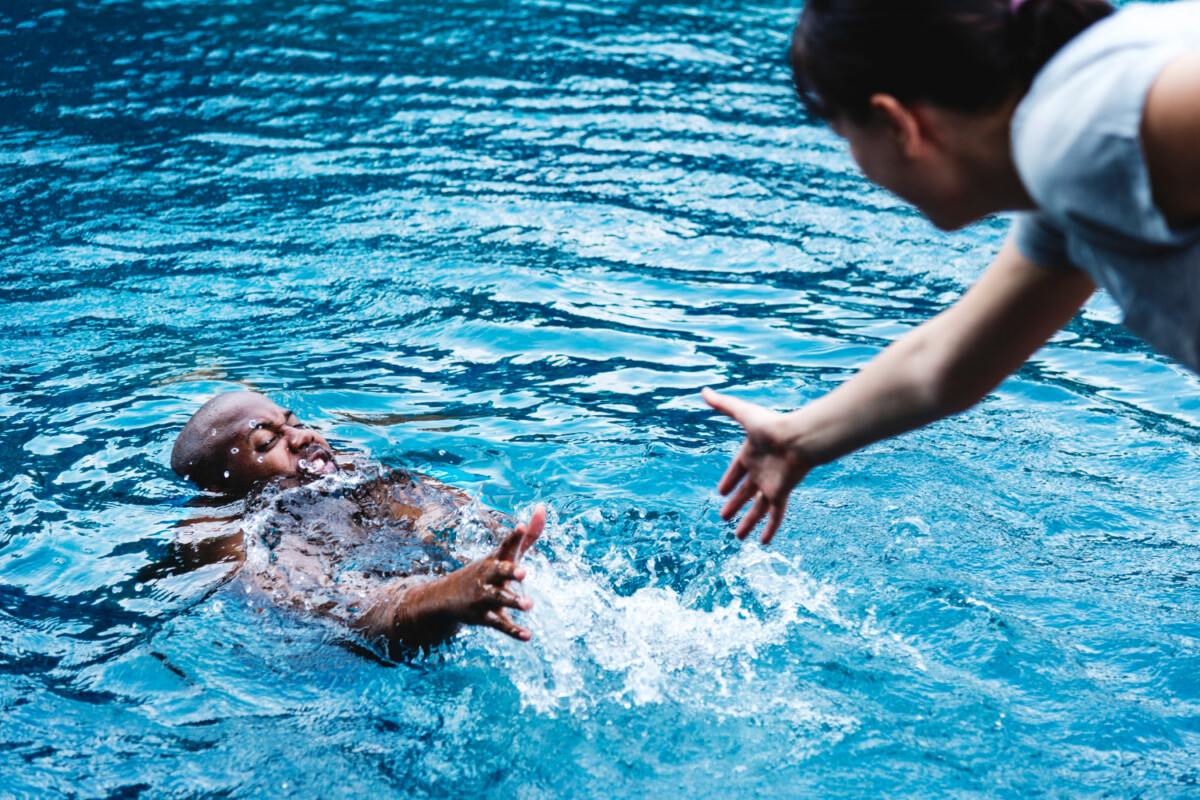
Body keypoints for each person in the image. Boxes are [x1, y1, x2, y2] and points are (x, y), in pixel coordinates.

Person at [705, 0, 1200, 543]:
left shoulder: (1079, 134)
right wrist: (796, 439)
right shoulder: (1070, 185)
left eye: (847, 139)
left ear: (897, 123)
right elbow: (943, 364)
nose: (857, 165)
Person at [169, 390, 546, 651]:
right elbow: (340, 609)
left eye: (294, 422)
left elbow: (444, 515)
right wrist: (446, 596)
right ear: (222, 487)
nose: (302, 437)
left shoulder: (350, 472)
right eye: (268, 443)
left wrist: (501, 541)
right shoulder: (231, 535)